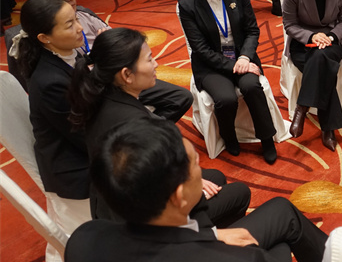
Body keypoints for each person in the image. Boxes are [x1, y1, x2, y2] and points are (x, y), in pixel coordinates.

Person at [65, 118, 328, 262]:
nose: (202, 173)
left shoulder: (82, 243)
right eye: (196, 164)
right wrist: (223, 248)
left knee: (278, 212)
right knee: (281, 227)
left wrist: (211, 236)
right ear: (179, 196)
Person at [67, 27, 250, 228]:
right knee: (240, 192)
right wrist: (192, 189)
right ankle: (211, 238)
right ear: (126, 75)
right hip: (141, 220)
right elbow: (153, 188)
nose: (156, 64)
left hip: (113, 201)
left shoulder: (101, 96)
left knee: (215, 177)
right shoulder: (135, 124)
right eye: (149, 59)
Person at [4, 0, 192, 120]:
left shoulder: (84, 14)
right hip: (91, 95)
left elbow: (120, 47)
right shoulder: (39, 58)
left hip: (115, 79)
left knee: (180, 97)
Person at [9, 0, 90, 262]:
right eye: (69, 24)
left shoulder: (65, 54)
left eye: (76, 19)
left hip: (80, 145)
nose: (80, 28)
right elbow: (85, 138)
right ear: (44, 38)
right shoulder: (50, 81)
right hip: (75, 169)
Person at [178, 0, 278, 161]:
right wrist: (235, 65)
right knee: (226, 99)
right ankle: (229, 136)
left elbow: (252, 30)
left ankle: (267, 138)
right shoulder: (188, 5)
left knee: (251, 86)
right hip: (211, 64)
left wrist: (244, 57)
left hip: (242, 56)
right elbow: (200, 49)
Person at [283, 0, 342, 151]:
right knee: (323, 65)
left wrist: (329, 37)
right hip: (303, 43)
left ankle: (302, 107)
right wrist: (312, 36)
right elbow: (290, 24)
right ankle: (328, 129)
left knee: (322, 57)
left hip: (332, 41)